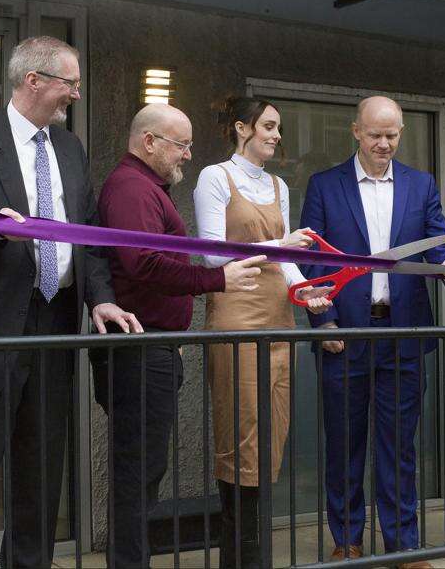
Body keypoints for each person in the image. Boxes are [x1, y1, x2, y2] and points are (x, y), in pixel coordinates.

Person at [0, 36, 139, 569]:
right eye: (70, 83)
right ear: (33, 80)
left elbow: (88, 235)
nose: (77, 94)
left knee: (40, 468)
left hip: (54, 321)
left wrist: (100, 299)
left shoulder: (70, 148)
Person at [93, 102, 265, 569]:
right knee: (139, 471)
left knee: (144, 469)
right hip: (141, 347)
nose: (188, 154)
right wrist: (216, 279)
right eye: (181, 145)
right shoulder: (132, 189)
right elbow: (143, 263)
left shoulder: (144, 188)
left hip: (151, 345)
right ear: (149, 142)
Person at [299, 95, 445, 566]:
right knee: (344, 444)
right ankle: (347, 540)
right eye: (375, 134)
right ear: (356, 131)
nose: (384, 144)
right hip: (344, 334)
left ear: (401, 133)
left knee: (399, 447)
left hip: (402, 335)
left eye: (391, 135)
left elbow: (437, 238)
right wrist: (323, 321)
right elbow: (311, 258)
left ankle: (403, 545)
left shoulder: (421, 183)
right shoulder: (325, 185)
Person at [193, 97, 332, 568]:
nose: (276, 135)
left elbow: (287, 262)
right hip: (237, 318)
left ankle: (255, 553)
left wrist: (306, 291)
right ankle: (242, 556)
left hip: (278, 318)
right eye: (269, 126)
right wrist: (279, 243)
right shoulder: (215, 177)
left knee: (272, 431)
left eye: (278, 127)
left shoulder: (278, 185)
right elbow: (213, 255)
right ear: (242, 128)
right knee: (241, 432)